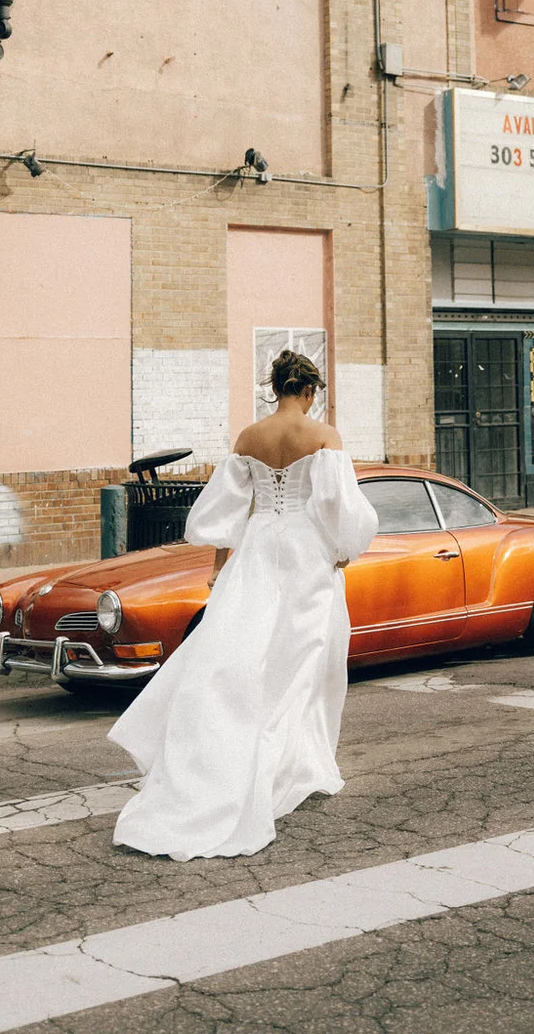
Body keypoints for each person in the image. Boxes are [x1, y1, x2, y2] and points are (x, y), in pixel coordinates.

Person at [108, 348, 378, 860]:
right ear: (309, 391)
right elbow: (336, 507)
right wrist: (342, 549)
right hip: (305, 552)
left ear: (273, 388)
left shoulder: (248, 438)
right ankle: (286, 765)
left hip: (257, 547)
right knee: (303, 663)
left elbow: (228, 511)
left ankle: (234, 756)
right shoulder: (323, 437)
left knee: (239, 653)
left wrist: (218, 566)